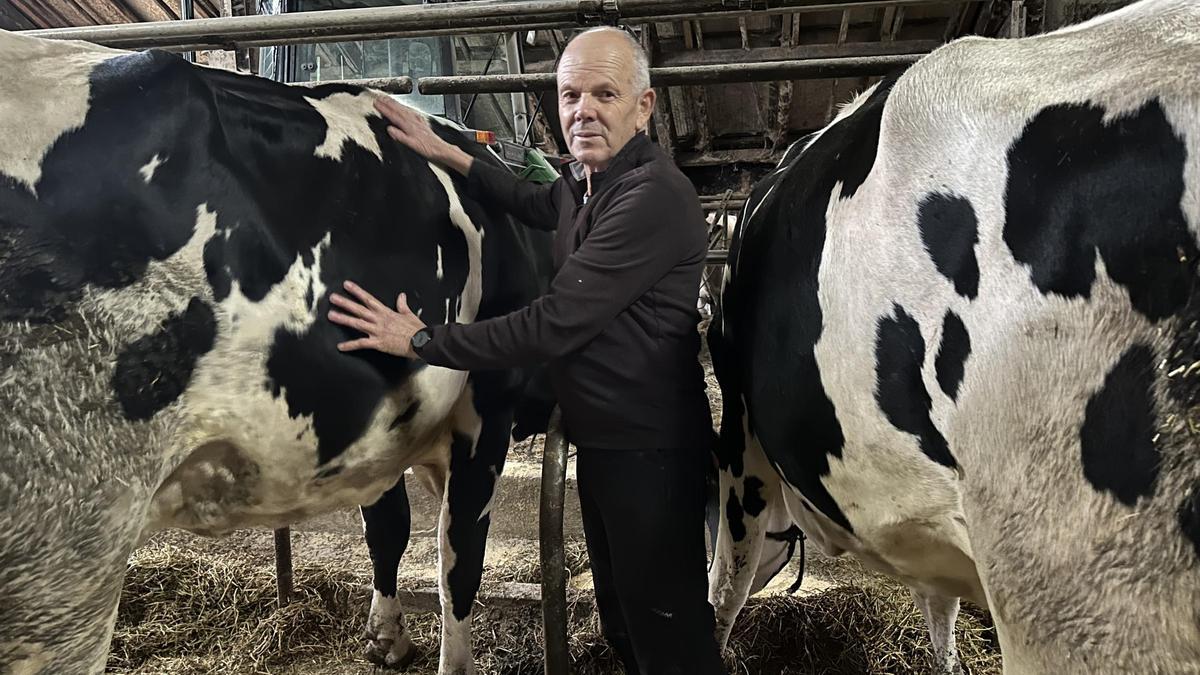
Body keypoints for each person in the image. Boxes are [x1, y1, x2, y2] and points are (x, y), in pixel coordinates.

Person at [327, 26, 726, 675]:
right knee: (623, 615)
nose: (582, 110)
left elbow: (548, 326)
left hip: (650, 446)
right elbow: (529, 198)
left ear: (644, 106)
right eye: (570, 95)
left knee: (668, 629)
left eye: (604, 92)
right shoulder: (587, 181)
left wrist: (422, 339)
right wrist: (446, 150)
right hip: (604, 439)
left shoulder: (652, 197)